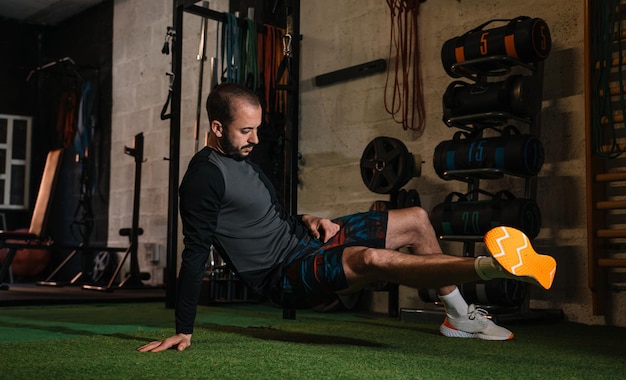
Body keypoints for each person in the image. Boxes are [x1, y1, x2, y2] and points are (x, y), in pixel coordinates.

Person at [138, 83, 556, 352]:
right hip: (282, 277)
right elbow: (194, 253)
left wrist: (306, 217)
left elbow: (265, 214)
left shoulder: (242, 157)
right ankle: (497, 267)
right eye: (246, 131)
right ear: (216, 127)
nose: (256, 139)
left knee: (414, 219)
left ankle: (459, 317)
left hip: (304, 242)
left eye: (257, 129)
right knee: (369, 259)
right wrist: (184, 328)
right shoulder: (202, 179)